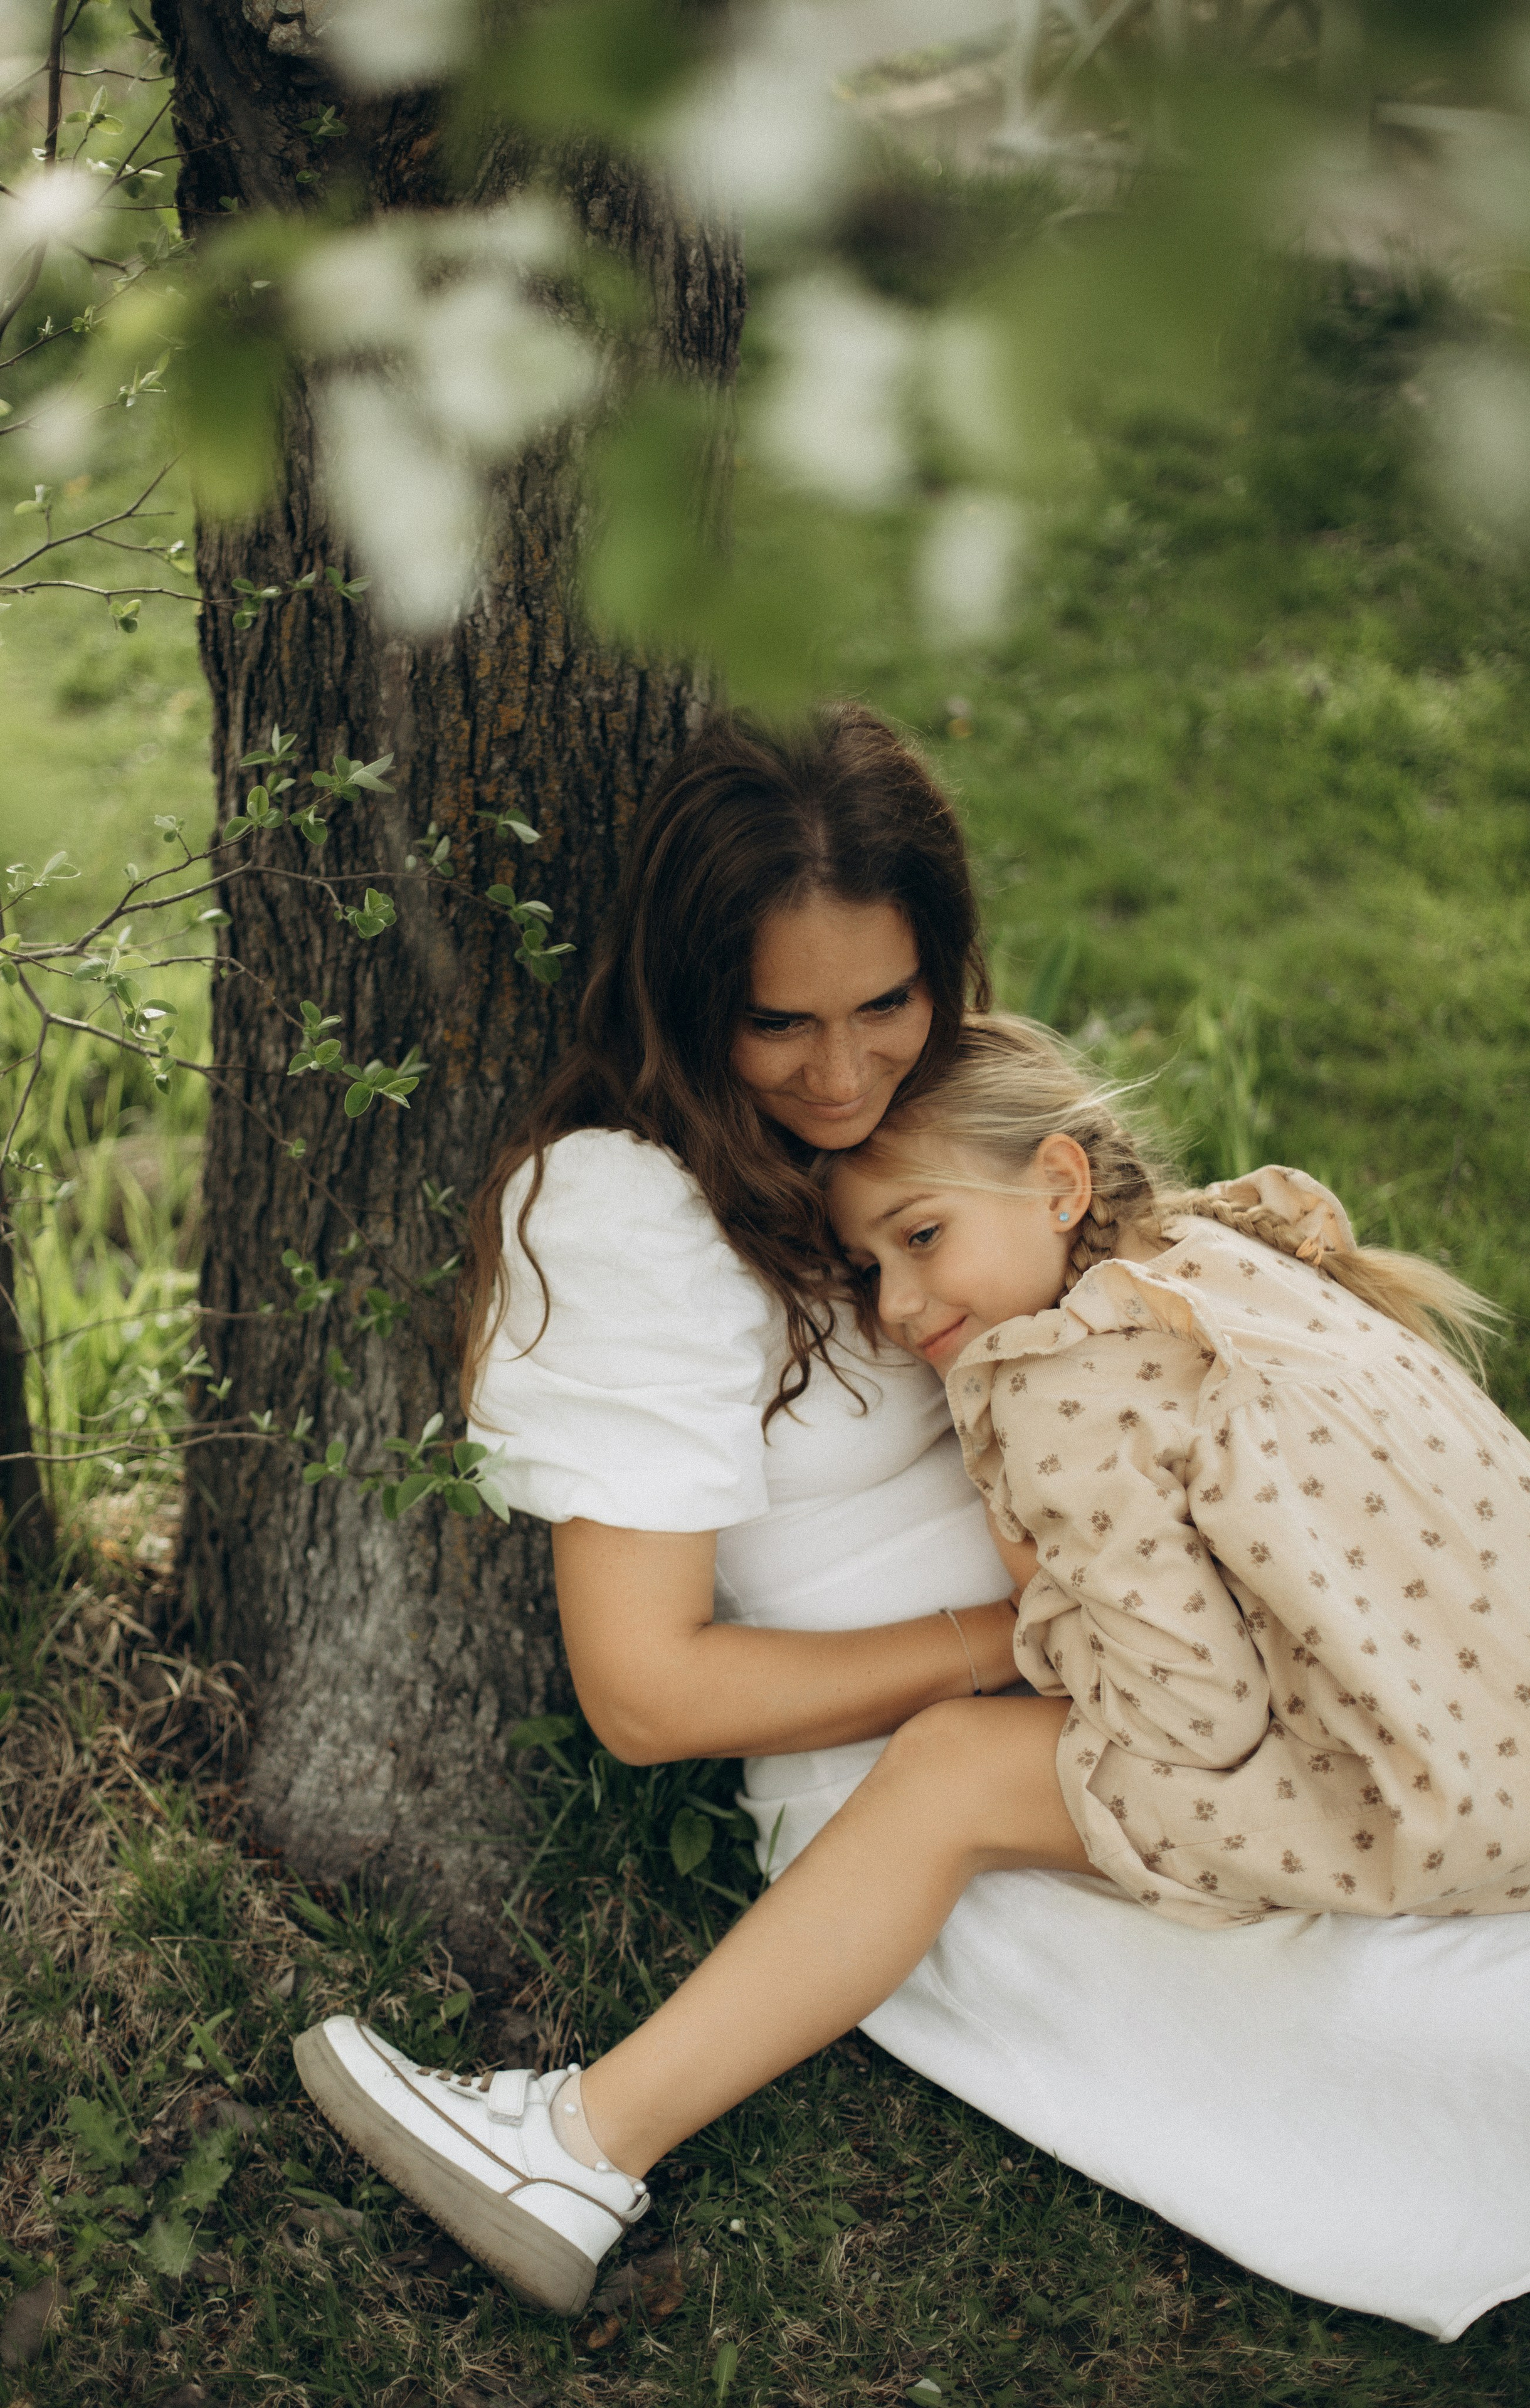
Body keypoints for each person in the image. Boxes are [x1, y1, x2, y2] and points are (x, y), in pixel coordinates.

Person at [293, 707, 1530, 2341]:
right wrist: (1013, 1648)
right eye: (780, 1022)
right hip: (967, 1767)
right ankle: (579, 2149)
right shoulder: (625, 1213)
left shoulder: (945, 1128)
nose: (846, 1067)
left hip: (1159, 1667)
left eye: (890, 1001)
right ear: (691, 999)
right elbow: (648, 1695)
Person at [825, 1011, 1530, 1926]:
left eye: (920, 1237)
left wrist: (1036, 1605)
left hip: (1447, 1813)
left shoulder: (1056, 1391)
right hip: (1498, 1721)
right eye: (864, 1268)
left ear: (1059, 1184)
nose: (896, 1305)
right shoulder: (1233, 1248)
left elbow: (1195, 1718)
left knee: (946, 1764)